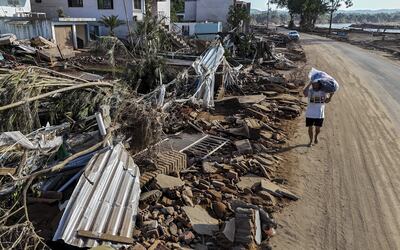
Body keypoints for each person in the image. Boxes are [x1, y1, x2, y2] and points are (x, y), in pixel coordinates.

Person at [303, 80, 334, 146]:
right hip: (310, 114)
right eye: (313, 84)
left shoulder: (323, 92)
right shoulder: (310, 91)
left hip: (319, 114)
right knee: (310, 128)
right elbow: (304, 93)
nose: (314, 85)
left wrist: (331, 96)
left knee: (318, 129)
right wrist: (309, 83)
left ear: (319, 84)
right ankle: (310, 141)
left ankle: (316, 136)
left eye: (316, 84)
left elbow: (326, 101)